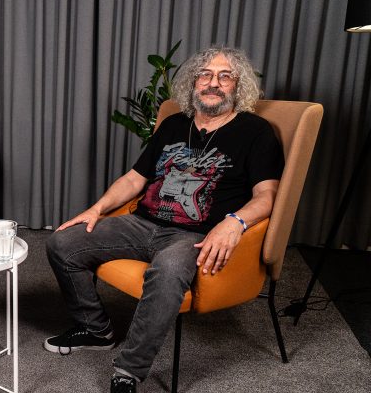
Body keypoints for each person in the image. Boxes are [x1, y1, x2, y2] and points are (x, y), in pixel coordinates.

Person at [44, 47, 284, 393]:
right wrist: (96, 209)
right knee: (63, 242)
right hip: (141, 223)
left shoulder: (255, 131)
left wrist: (235, 222)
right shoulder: (174, 124)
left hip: (196, 235)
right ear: (193, 83)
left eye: (225, 76)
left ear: (238, 85)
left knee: (169, 269)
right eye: (205, 75)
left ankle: (128, 370)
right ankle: (96, 330)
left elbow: (267, 195)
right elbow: (134, 179)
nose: (213, 83)